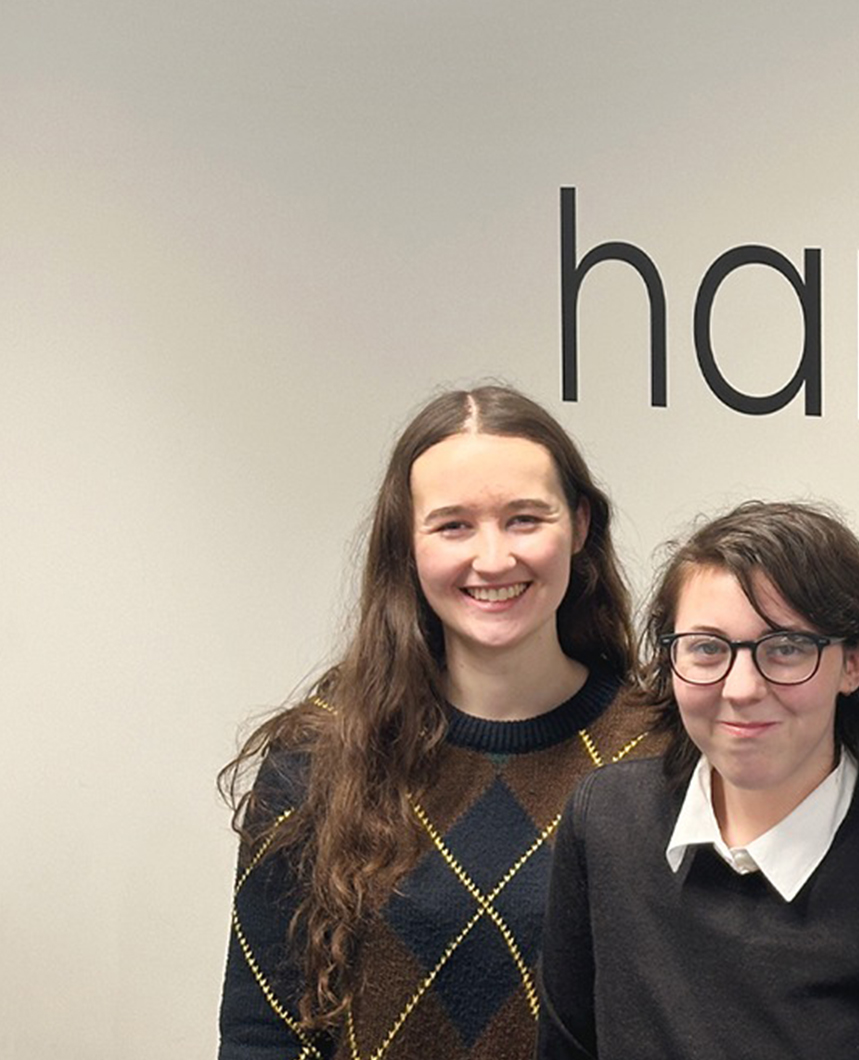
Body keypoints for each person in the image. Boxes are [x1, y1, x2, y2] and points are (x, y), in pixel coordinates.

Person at [218, 385, 650, 1060]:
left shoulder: (667, 750)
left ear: (582, 525)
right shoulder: (315, 759)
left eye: (525, 519)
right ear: (406, 544)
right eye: (453, 525)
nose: (493, 558)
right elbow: (262, 1034)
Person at [537, 500, 859, 1060]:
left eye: (786, 648)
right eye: (706, 648)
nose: (743, 687)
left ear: (855, 663)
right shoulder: (605, 820)